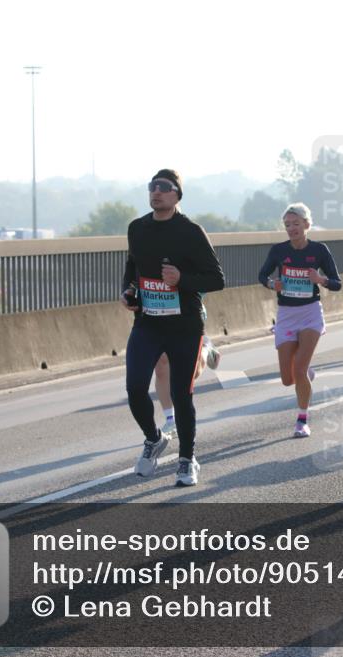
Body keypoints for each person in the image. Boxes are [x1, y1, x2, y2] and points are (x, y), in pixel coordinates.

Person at [121, 169, 225, 486]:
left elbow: (217, 279)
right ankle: (154, 438)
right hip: (148, 322)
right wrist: (128, 291)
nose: (157, 192)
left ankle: (187, 460)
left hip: (184, 326)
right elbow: (132, 266)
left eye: (164, 187)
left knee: (182, 395)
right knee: (135, 388)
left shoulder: (191, 232)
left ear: (177, 194)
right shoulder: (137, 228)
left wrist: (181, 279)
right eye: (153, 187)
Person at [258, 203, 342, 438]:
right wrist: (271, 284)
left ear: (306, 224)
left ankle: (302, 420)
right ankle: (305, 373)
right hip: (286, 314)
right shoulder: (278, 250)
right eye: (287, 225)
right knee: (288, 379)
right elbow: (262, 275)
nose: (291, 228)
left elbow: (337, 283)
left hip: (310, 314)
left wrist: (320, 280)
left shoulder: (319, 250)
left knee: (300, 369)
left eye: (296, 223)